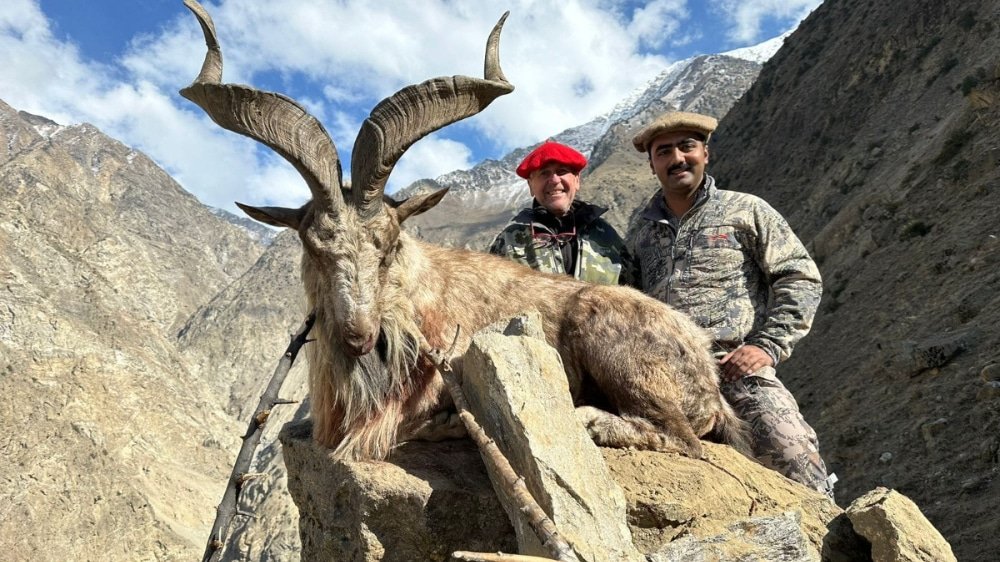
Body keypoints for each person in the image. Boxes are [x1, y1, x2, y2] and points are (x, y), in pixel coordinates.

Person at [625, 111, 837, 498]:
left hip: (736, 369)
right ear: (652, 163)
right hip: (667, 379)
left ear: (705, 153)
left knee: (794, 455)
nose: (677, 158)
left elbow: (799, 276)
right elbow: (627, 306)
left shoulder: (747, 210)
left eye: (687, 146)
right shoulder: (640, 233)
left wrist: (768, 345)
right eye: (664, 151)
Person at [488, 140, 630, 285]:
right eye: (544, 173)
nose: (554, 180)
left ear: (577, 180)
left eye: (562, 171)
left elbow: (636, 294)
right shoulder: (508, 240)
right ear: (531, 186)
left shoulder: (607, 236)